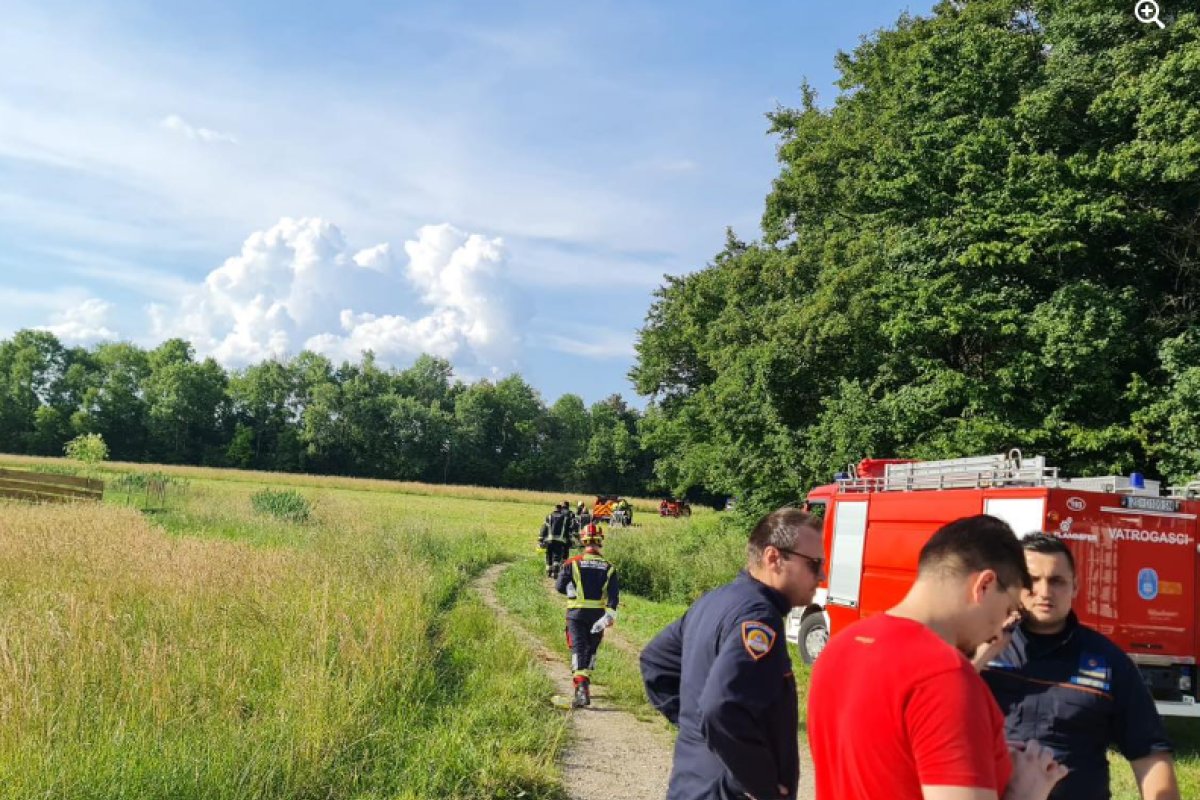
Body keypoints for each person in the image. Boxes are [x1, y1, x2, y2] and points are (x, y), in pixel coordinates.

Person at [807, 514, 1068, 800]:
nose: (999, 631)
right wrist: (1028, 791)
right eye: (1008, 610)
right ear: (984, 585)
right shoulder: (945, 676)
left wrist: (979, 750)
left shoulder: (840, 647)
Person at [639, 506, 823, 800]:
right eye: (814, 564)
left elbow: (656, 662)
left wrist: (696, 730)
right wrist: (757, 783)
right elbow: (720, 707)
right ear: (773, 558)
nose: (822, 575)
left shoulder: (714, 600)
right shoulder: (759, 618)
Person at [980, 533, 1180, 800]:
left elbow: (1150, 754)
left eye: (1057, 581)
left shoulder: (1109, 661)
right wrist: (980, 656)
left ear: (1075, 587)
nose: (1045, 592)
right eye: (1033, 580)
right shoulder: (982, 645)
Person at [556, 524, 619, 708]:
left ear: (583, 541)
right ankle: (585, 683)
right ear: (600, 541)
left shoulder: (571, 563)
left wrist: (572, 592)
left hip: (576, 614)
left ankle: (581, 689)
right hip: (598, 615)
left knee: (578, 648)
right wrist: (608, 617)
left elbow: (560, 587)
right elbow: (613, 597)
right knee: (590, 649)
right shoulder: (609, 567)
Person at [538, 503, 571, 578]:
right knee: (557, 555)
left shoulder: (549, 516)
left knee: (549, 555)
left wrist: (541, 538)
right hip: (560, 540)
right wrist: (568, 540)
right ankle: (556, 570)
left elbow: (544, 527)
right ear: (561, 509)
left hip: (549, 540)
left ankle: (548, 571)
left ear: (555, 508)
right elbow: (567, 530)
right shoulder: (565, 518)